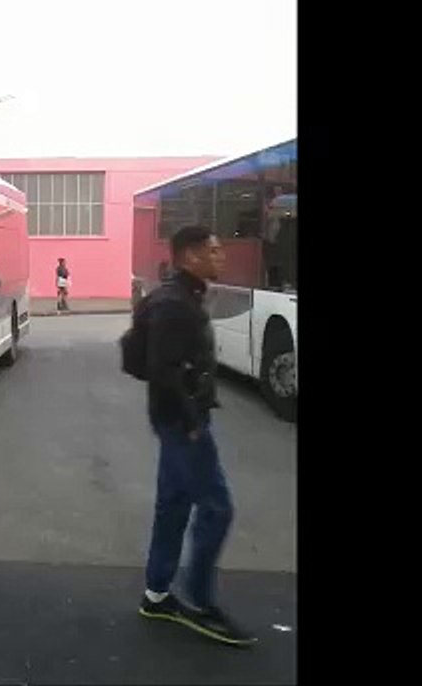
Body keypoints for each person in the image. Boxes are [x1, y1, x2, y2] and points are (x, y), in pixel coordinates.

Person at [137, 225, 256, 647]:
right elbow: (160, 369)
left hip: (177, 420)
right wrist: (190, 422)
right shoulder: (175, 303)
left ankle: (157, 594)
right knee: (216, 508)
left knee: (174, 504)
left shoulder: (183, 295)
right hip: (184, 423)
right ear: (189, 256)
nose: (221, 256)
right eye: (214, 250)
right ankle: (201, 602)